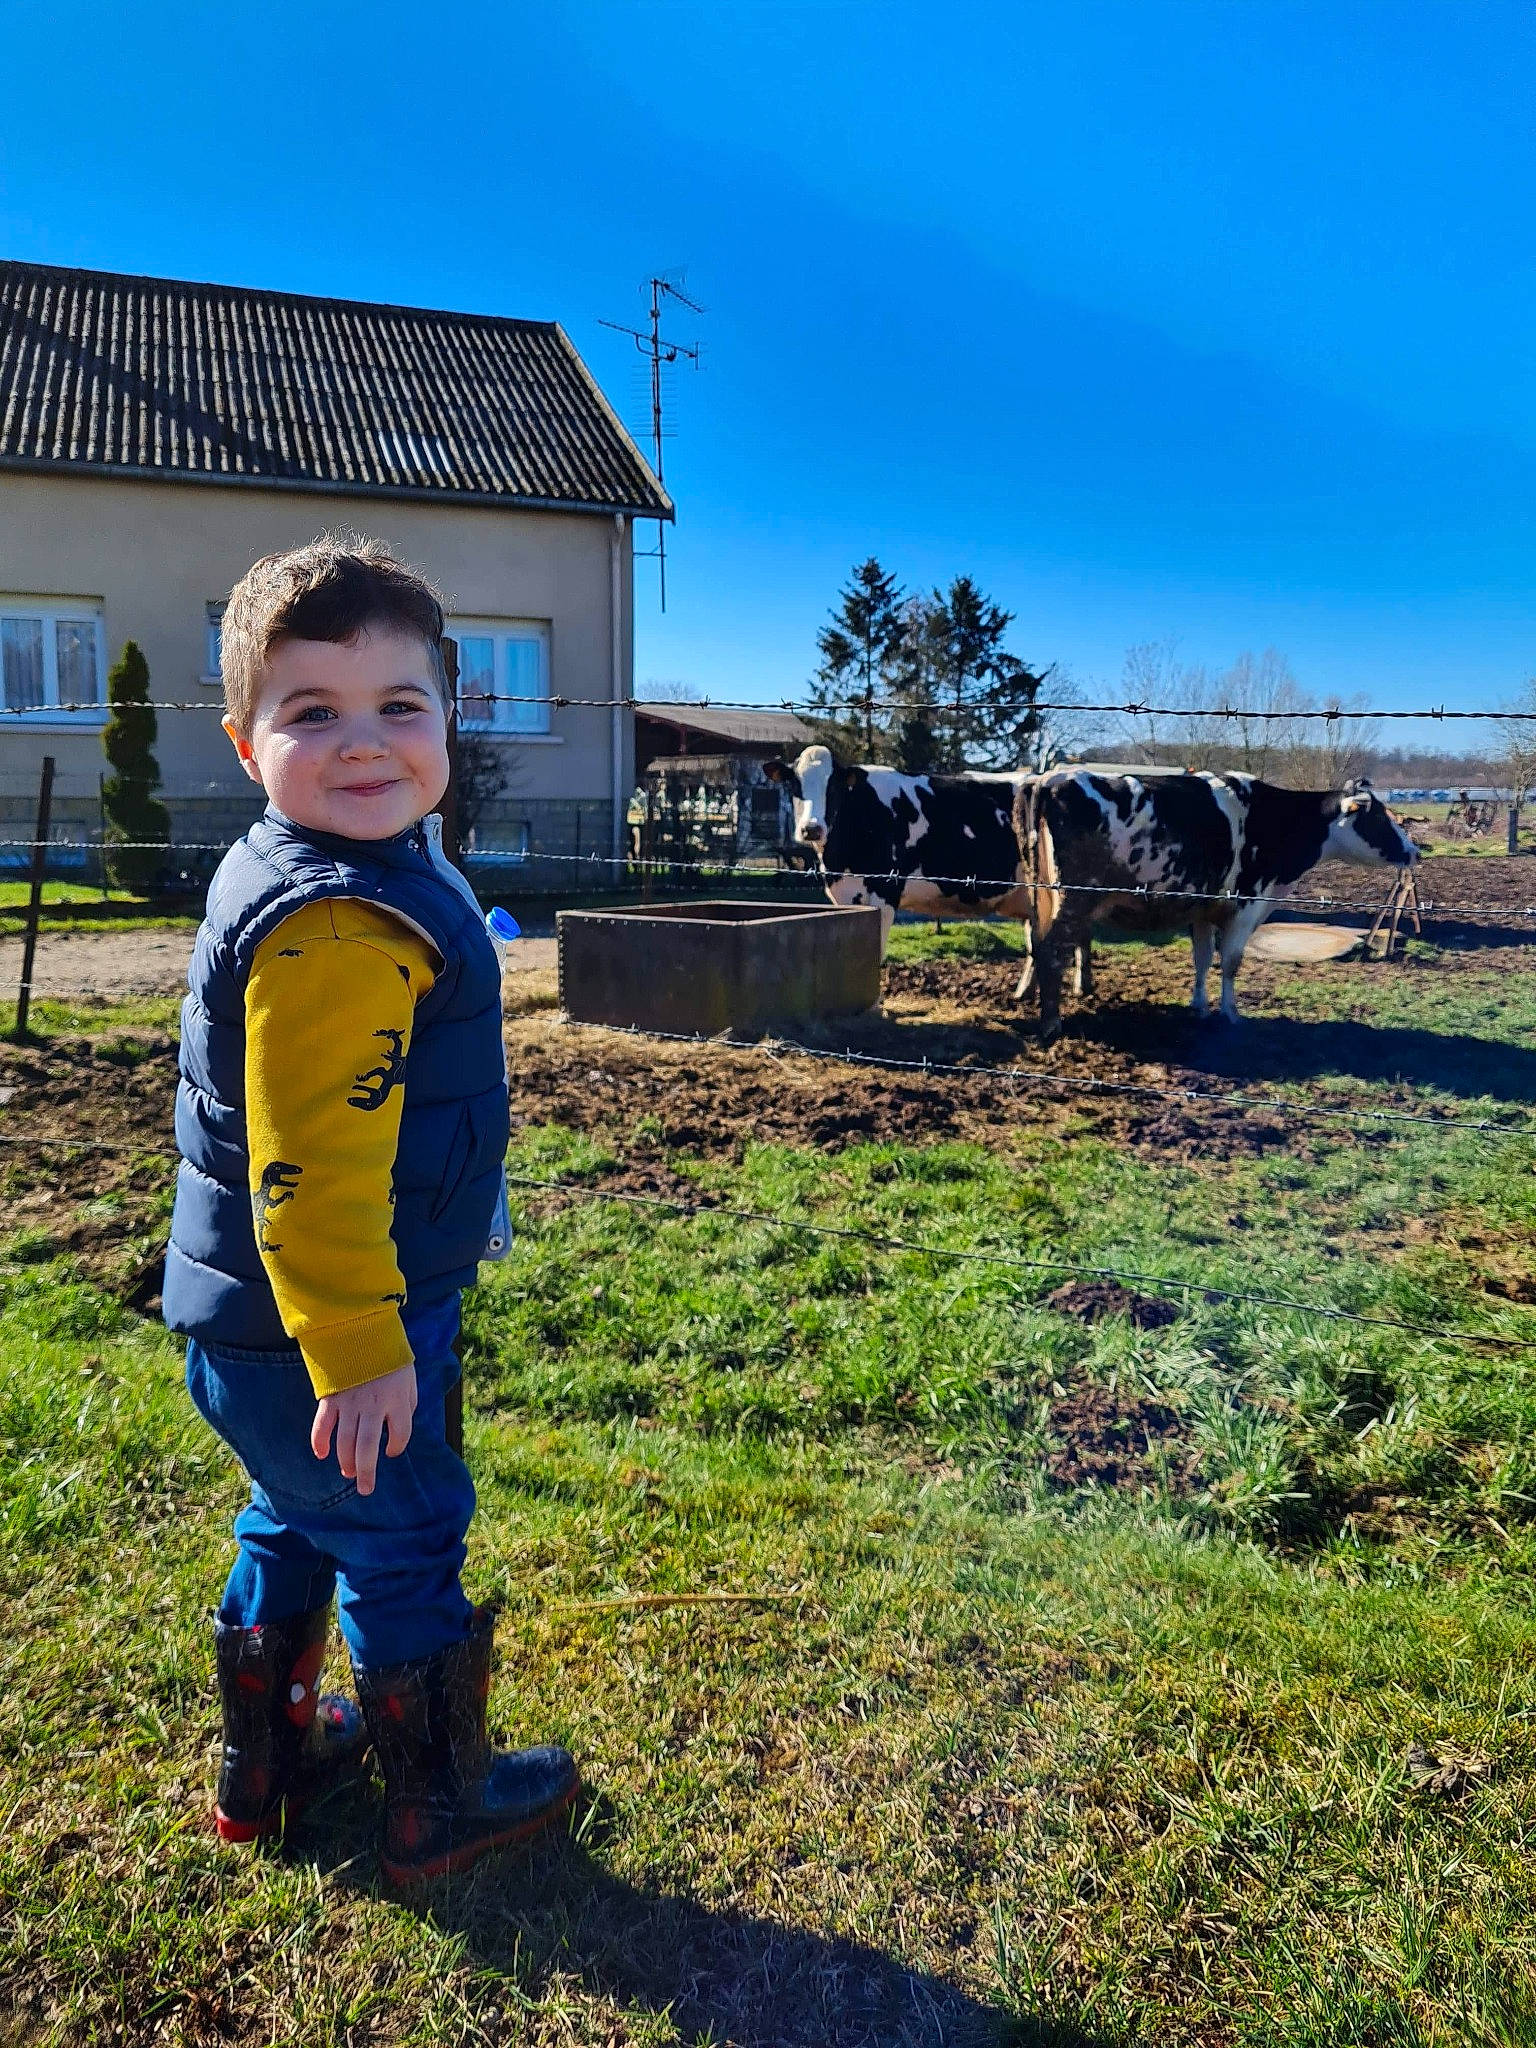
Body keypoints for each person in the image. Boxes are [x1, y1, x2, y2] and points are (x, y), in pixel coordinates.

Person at [163, 535, 578, 1884]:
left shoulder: (331, 864)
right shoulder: (338, 918)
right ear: (245, 742)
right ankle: (436, 1804)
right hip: (327, 1322)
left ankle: (264, 1765)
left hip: (255, 1325)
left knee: (294, 1516)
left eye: (400, 706)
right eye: (312, 712)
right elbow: (315, 1167)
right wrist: (362, 1342)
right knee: (402, 1535)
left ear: (451, 719)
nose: (364, 742)